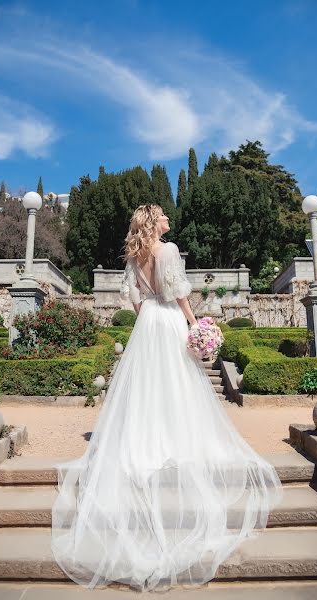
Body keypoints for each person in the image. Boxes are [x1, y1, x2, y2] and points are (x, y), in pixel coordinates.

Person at [51, 203, 283, 593]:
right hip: (170, 320)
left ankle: (147, 440)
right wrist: (196, 325)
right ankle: (177, 439)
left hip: (146, 324)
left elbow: (135, 299)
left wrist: (149, 317)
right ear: (153, 222)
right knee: (178, 383)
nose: (168, 219)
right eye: (163, 215)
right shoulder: (168, 249)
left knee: (147, 386)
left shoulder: (135, 257)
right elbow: (178, 293)